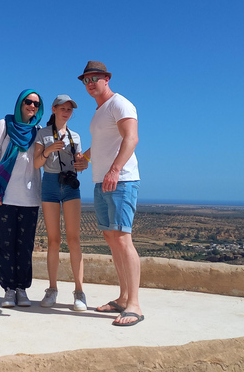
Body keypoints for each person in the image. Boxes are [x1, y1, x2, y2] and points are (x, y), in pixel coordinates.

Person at [78, 61, 144, 327]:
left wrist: (115, 170)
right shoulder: (99, 111)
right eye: (86, 80)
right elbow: (103, 142)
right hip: (101, 180)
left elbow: (131, 138)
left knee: (123, 239)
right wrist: (85, 157)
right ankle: (123, 297)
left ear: (106, 78)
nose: (90, 83)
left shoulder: (120, 104)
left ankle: (135, 305)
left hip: (121, 180)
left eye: (95, 78)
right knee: (111, 238)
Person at [0, 89, 44, 308]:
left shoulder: (38, 132)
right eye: (28, 102)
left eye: (36, 104)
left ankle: (22, 288)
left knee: (25, 246)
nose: (32, 106)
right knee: (4, 244)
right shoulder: (4, 124)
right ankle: (8, 289)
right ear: (20, 103)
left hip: (29, 197)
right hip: (4, 193)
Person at [33, 95, 89, 311]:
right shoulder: (43, 134)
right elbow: (37, 162)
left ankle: (79, 292)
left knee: (74, 239)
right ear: (54, 109)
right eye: (63, 108)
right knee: (53, 240)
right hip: (50, 184)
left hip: (70, 185)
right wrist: (49, 149)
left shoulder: (75, 136)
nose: (66, 112)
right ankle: (52, 289)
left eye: (70, 109)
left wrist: (81, 163)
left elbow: (80, 166)